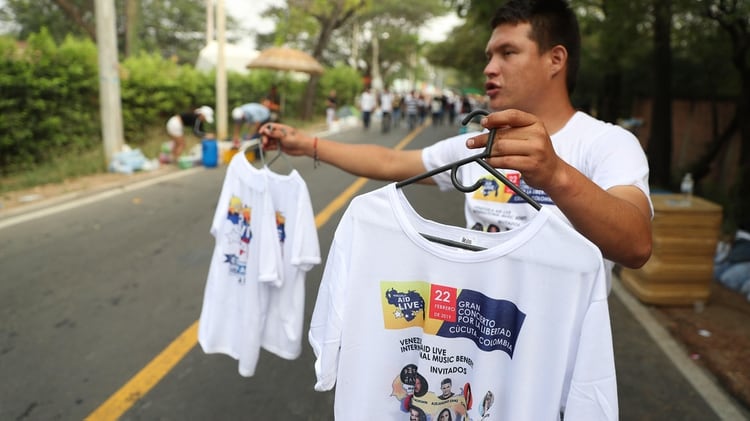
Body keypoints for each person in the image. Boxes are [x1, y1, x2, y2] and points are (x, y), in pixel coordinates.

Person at [259, 0, 653, 279]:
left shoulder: (608, 144)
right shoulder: (479, 144)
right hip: (476, 347)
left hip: (555, 375)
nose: (489, 68)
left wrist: (554, 174)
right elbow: (391, 163)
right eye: (489, 55)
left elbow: (636, 245)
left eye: (508, 53)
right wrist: (307, 144)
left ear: (555, 59)